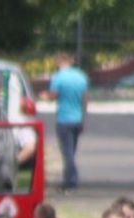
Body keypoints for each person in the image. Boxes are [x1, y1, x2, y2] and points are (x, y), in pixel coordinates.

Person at [45, 52, 89, 192]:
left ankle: (71, 181)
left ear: (59, 63)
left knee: (67, 152)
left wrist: (45, 96)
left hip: (64, 118)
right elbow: (85, 98)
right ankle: (68, 178)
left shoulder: (58, 78)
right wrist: (83, 118)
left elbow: (53, 96)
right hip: (77, 118)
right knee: (72, 150)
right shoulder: (81, 76)